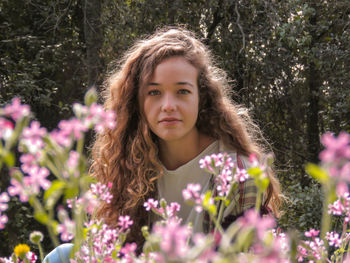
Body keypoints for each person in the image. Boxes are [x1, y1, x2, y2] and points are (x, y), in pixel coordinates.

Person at [44, 26, 282, 262]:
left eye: (182, 91)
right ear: (137, 102)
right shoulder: (128, 161)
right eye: (154, 93)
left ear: (202, 98)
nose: (168, 105)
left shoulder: (238, 170)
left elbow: (245, 255)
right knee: (61, 256)